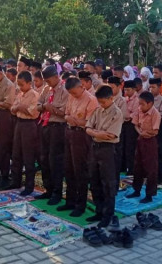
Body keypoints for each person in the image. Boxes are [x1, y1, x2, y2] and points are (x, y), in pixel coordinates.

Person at [85, 85, 123, 228]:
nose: (101, 104)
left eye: (104, 102)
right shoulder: (98, 110)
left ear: (110, 98)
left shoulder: (116, 113)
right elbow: (88, 128)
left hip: (108, 149)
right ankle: (99, 210)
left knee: (108, 183)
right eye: (99, 102)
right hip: (95, 147)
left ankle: (108, 215)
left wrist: (95, 132)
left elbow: (111, 135)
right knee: (94, 181)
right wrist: (97, 133)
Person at [60, 77, 98, 217]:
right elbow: (66, 114)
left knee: (80, 170)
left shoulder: (91, 100)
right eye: (71, 93)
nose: (74, 96)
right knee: (68, 168)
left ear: (81, 86)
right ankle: (70, 201)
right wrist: (72, 120)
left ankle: (80, 205)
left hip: (82, 136)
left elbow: (88, 122)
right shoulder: (70, 97)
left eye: (75, 93)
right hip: (70, 133)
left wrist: (74, 120)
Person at [37, 65, 69, 205]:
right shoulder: (46, 89)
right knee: (43, 158)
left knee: (55, 160)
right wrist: (44, 107)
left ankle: (57, 192)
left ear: (56, 77)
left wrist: (53, 109)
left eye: (49, 80)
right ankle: (48, 189)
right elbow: (38, 105)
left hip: (58, 127)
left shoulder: (65, 90)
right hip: (45, 125)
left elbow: (65, 112)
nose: (47, 83)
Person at [126, 91, 161, 203]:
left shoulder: (155, 114)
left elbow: (155, 131)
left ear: (150, 103)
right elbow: (135, 124)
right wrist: (140, 133)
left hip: (150, 141)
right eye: (139, 104)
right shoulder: (139, 110)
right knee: (137, 166)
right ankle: (136, 190)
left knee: (151, 168)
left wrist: (146, 133)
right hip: (141, 139)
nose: (140, 106)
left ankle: (149, 194)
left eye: (142, 104)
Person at [10, 71, 40, 194]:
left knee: (28, 156)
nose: (20, 87)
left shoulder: (34, 95)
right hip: (19, 124)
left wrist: (20, 108)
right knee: (16, 153)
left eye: (22, 84)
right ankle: (15, 181)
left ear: (29, 83)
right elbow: (13, 109)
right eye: (18, 84)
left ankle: (29, 186)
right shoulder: (20, 94)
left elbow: (33, 112)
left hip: (29, 125)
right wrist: (20, 108)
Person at [107, 76, 127, 189]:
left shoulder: (122, 101)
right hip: (106, 133)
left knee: (116, 158)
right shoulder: (107, 98)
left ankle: (114, 184)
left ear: (119, 87)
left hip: (117, 131)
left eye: (112, 87)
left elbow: (122, 118)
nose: (110, 89)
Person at [149, 78, 162, 184]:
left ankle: (158, 177)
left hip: (158, 129)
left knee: (158, 153)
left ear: (159, 88)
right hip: (148, 128)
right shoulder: (147, 99)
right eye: (150, 87)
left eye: (153, 87)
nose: (151, 89)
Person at [122, 80, 139, 175]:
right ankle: (125, 166)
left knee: (131, 147)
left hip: (132, 125)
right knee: (124, 146)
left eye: (128, 90)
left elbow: (136, 112)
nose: (126, 92)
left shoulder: (137, 100)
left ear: (133, 89)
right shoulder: (125, 99)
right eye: (125, 90)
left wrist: (128, 116)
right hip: (124, 123)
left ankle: (132, 168)